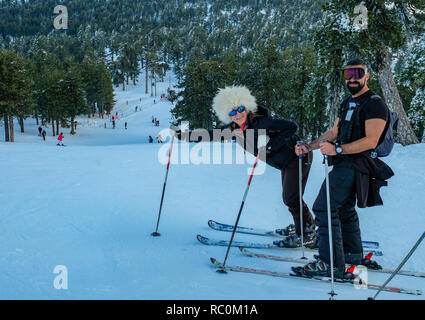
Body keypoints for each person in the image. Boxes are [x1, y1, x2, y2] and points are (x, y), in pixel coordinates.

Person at [173, 85, 316, 247]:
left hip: (297, 157)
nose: (238, 114)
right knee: (291, 197)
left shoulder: (262, 122)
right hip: (284, 163)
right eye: (232, 112)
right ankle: (303, 227)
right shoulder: (234, 130)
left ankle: (307, 234)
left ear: (247, 107)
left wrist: (270, 145)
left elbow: (291, 127)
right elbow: (212, 134)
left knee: (291, 198)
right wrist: (185, 136)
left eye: (240, 109)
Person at [293, 58, 394, 278]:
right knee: (343, 208)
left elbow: (371, 140)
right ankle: (352, 255)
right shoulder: (348, 102)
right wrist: (310, 147)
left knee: (324, 207)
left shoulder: (374, 103)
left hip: (357, 163)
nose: (352, 78)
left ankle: (330, 264)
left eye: (357, 73)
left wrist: (338, 151)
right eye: (347, 74)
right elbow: (333, 133)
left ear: (367, 75)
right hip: (346, 162)